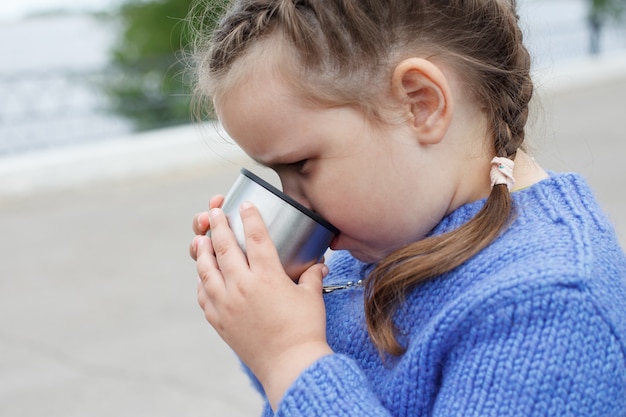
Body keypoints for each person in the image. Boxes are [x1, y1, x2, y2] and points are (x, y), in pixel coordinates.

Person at [188, 0, 626, 415]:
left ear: (421, 104)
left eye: (301, 164)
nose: (294, 202)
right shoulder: (383, 237)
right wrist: (263, 316)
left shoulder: (548, 306)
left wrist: (290, 356)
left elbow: (305, 380)